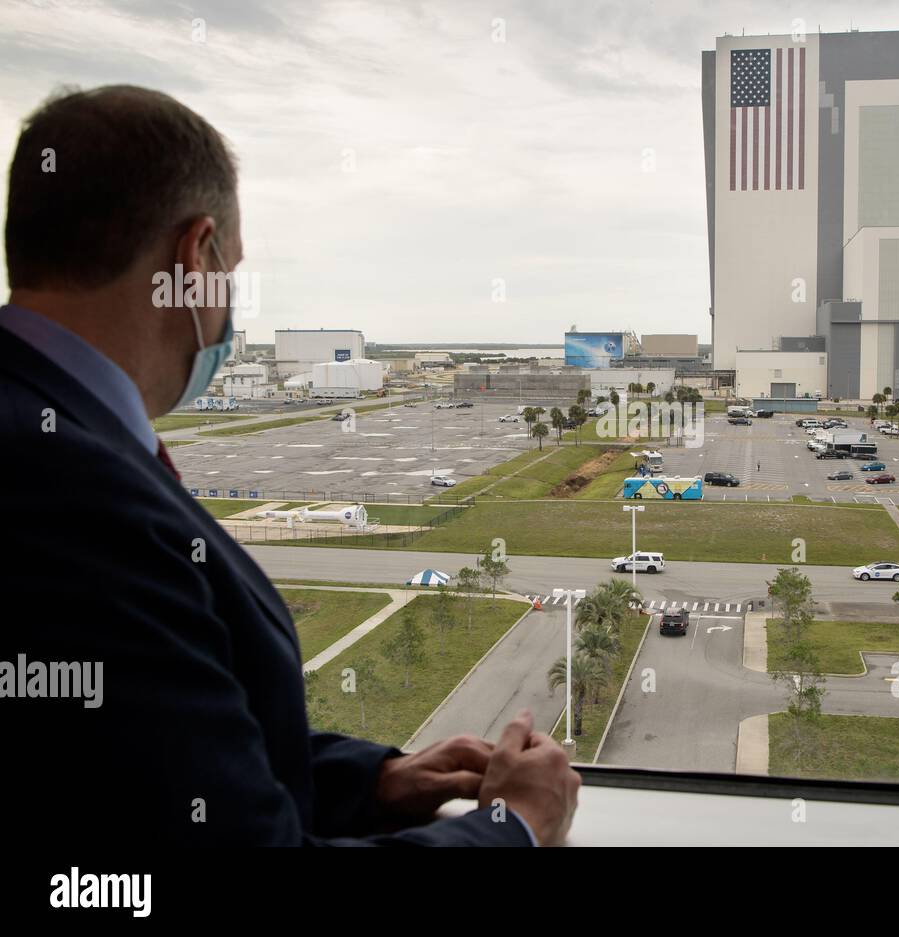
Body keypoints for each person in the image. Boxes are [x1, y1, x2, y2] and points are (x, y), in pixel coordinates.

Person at [0, 85, 579, 845]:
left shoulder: (48, 429)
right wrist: (516, 827)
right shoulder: (74, 499)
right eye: (229, 271)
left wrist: (372, 780)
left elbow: (143, 765)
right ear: (194, 253)